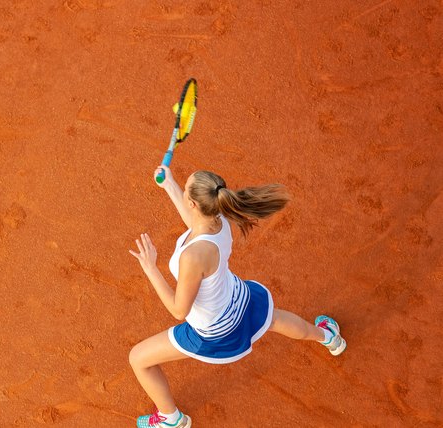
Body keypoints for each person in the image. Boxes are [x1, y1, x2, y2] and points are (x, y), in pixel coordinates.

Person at [127, 165, 346, 428]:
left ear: (194, 203)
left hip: (216, 331)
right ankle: (330, 337)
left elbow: (178, 311)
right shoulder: (219, 222)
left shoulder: (192, 257)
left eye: (186, 189)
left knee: (138, 359)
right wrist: (170, 185)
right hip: (240, 300)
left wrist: (151, 268)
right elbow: (195, 223)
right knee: (275, 320)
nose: (183, 189)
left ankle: (171, 419)